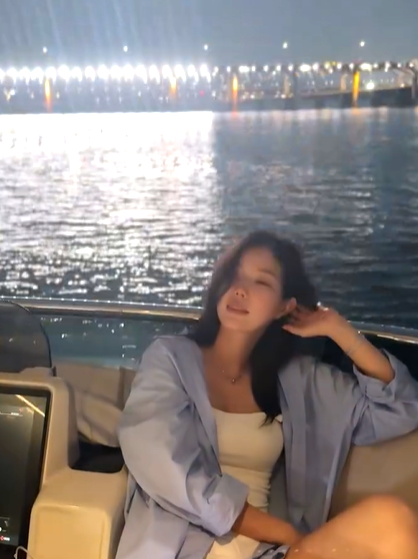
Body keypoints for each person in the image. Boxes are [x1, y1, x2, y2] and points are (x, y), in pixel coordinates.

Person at [116, 230, 418, 559]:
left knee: (392, 520)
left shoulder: (299, 381)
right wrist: (290, 535)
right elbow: (164, 464)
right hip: (180, 550)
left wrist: (338, 329)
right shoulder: (170, 359)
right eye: (234, 275)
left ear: (284, 306)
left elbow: (401, 408)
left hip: (268, 554)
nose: (240, 289)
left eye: (261, 281)